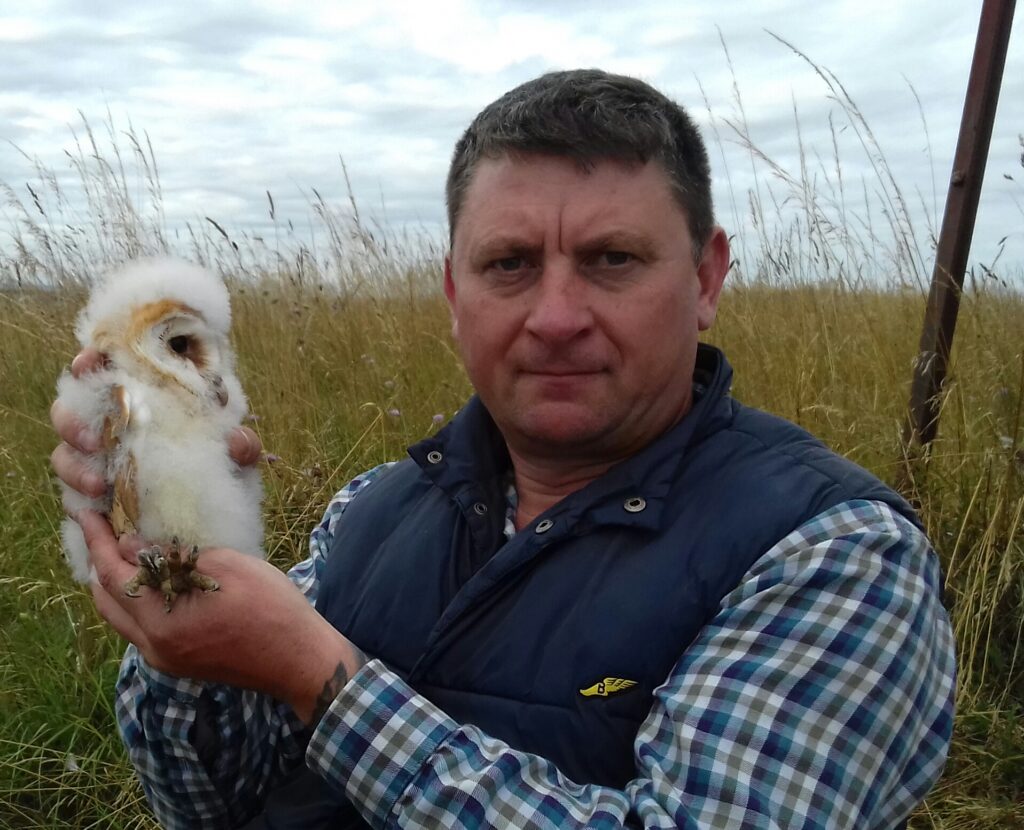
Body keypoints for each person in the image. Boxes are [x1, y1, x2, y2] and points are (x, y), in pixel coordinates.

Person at [52, 69, 955, 829]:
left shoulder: (834, 554)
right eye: (509, 265)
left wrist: (319, 678)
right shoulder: (374, 505)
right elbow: (213, 806)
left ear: (707, 277)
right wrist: (187, 556)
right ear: (454, 292)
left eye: (613, 260)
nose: (556, 318)